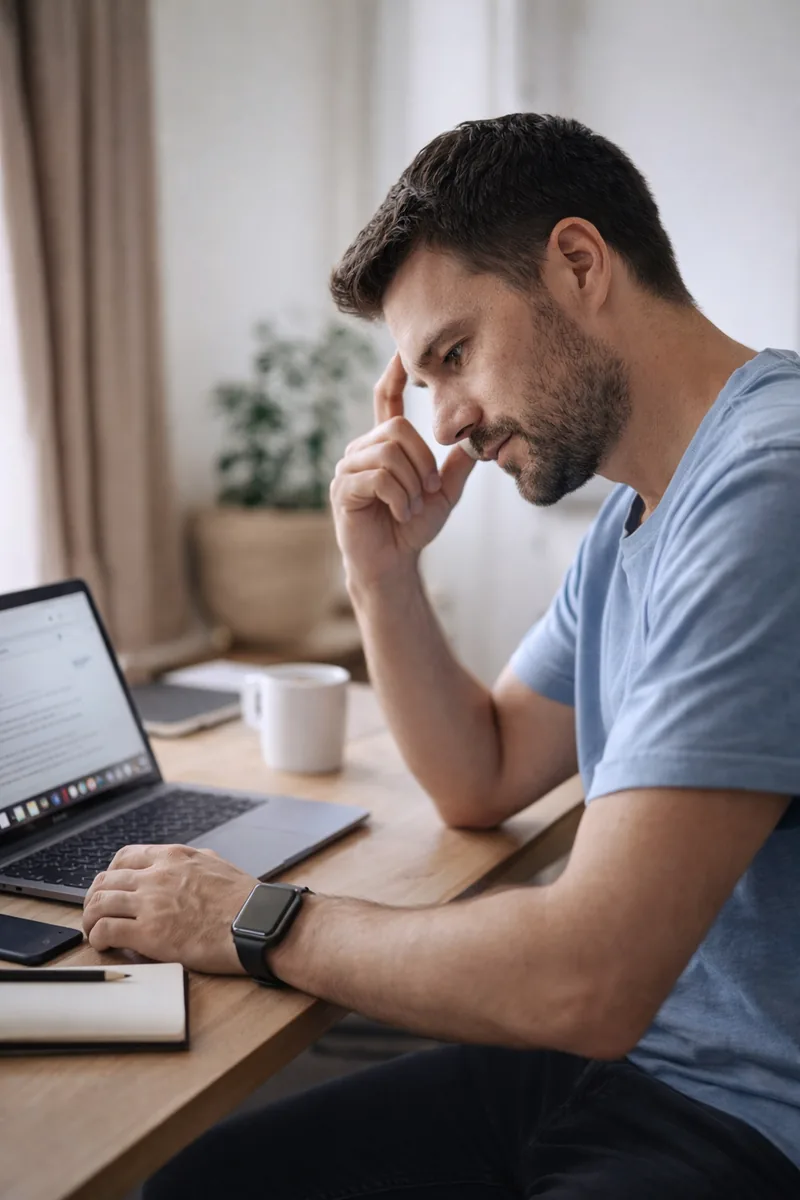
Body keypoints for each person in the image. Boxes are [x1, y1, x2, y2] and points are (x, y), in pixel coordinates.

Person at [85, 115, 800, 1198]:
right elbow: (484, 770)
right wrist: (377, 571)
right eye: (421, 381)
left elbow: (587, 978)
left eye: (454, 354)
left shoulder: (765, 493)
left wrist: (251, 918)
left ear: (576, 263)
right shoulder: (637, 515)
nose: (449, 419)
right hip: (628, 1066)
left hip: (748, 1116)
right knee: (200, 1184)